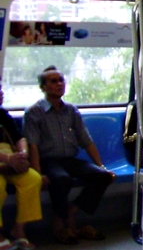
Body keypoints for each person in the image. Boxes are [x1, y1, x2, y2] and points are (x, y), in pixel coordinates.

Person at [23, 67, 114, 245]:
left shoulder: (71, 110)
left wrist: (101, 166)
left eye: (61, 80)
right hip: (48, 160)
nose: (59, 84)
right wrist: (38, 173)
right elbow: (32, 144)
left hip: (70, 159)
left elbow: (86, 140)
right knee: (62, 179)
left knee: (102, 177)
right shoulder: (34, 112)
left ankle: (68, 214)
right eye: (53, 81)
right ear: (43, 87)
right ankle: (63, 225)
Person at [0, 80, 43, 250]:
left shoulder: (2, 114)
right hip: (6, 160)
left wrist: (22, 155)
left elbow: (19, 138)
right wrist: (8, 159)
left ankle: (19, 230)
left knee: (32, 179)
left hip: (11, 160)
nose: (1, 93)